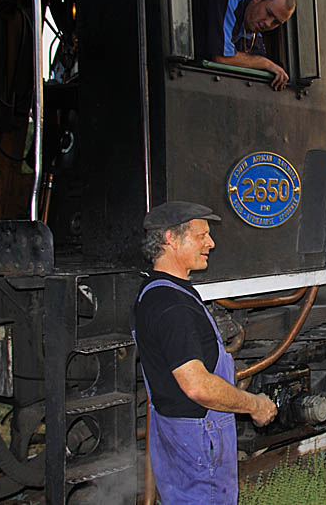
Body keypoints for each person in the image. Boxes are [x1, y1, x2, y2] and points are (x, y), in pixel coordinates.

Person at [133, 201, 277, 504]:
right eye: (201, 236)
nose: (210, 243)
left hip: (176, 430)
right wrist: (253, 404)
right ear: (171, 238)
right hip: (199, 439)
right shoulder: (172, 305)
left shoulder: (156, 291)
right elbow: (197, 386)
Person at [196, 0, 295, 91]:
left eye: (276, 22)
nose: (268, 23)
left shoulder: (255, 35)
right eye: (269, 13)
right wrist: (265, 63)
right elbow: (221, 58)